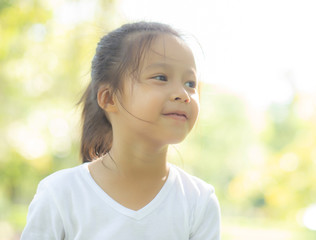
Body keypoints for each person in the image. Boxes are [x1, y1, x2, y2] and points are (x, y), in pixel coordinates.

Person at [21, 21, 221, 240]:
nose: (183, 94)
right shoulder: (60, 194)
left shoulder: (199, 202)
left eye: (190, 83)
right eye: (161, 77)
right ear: (109, 98)